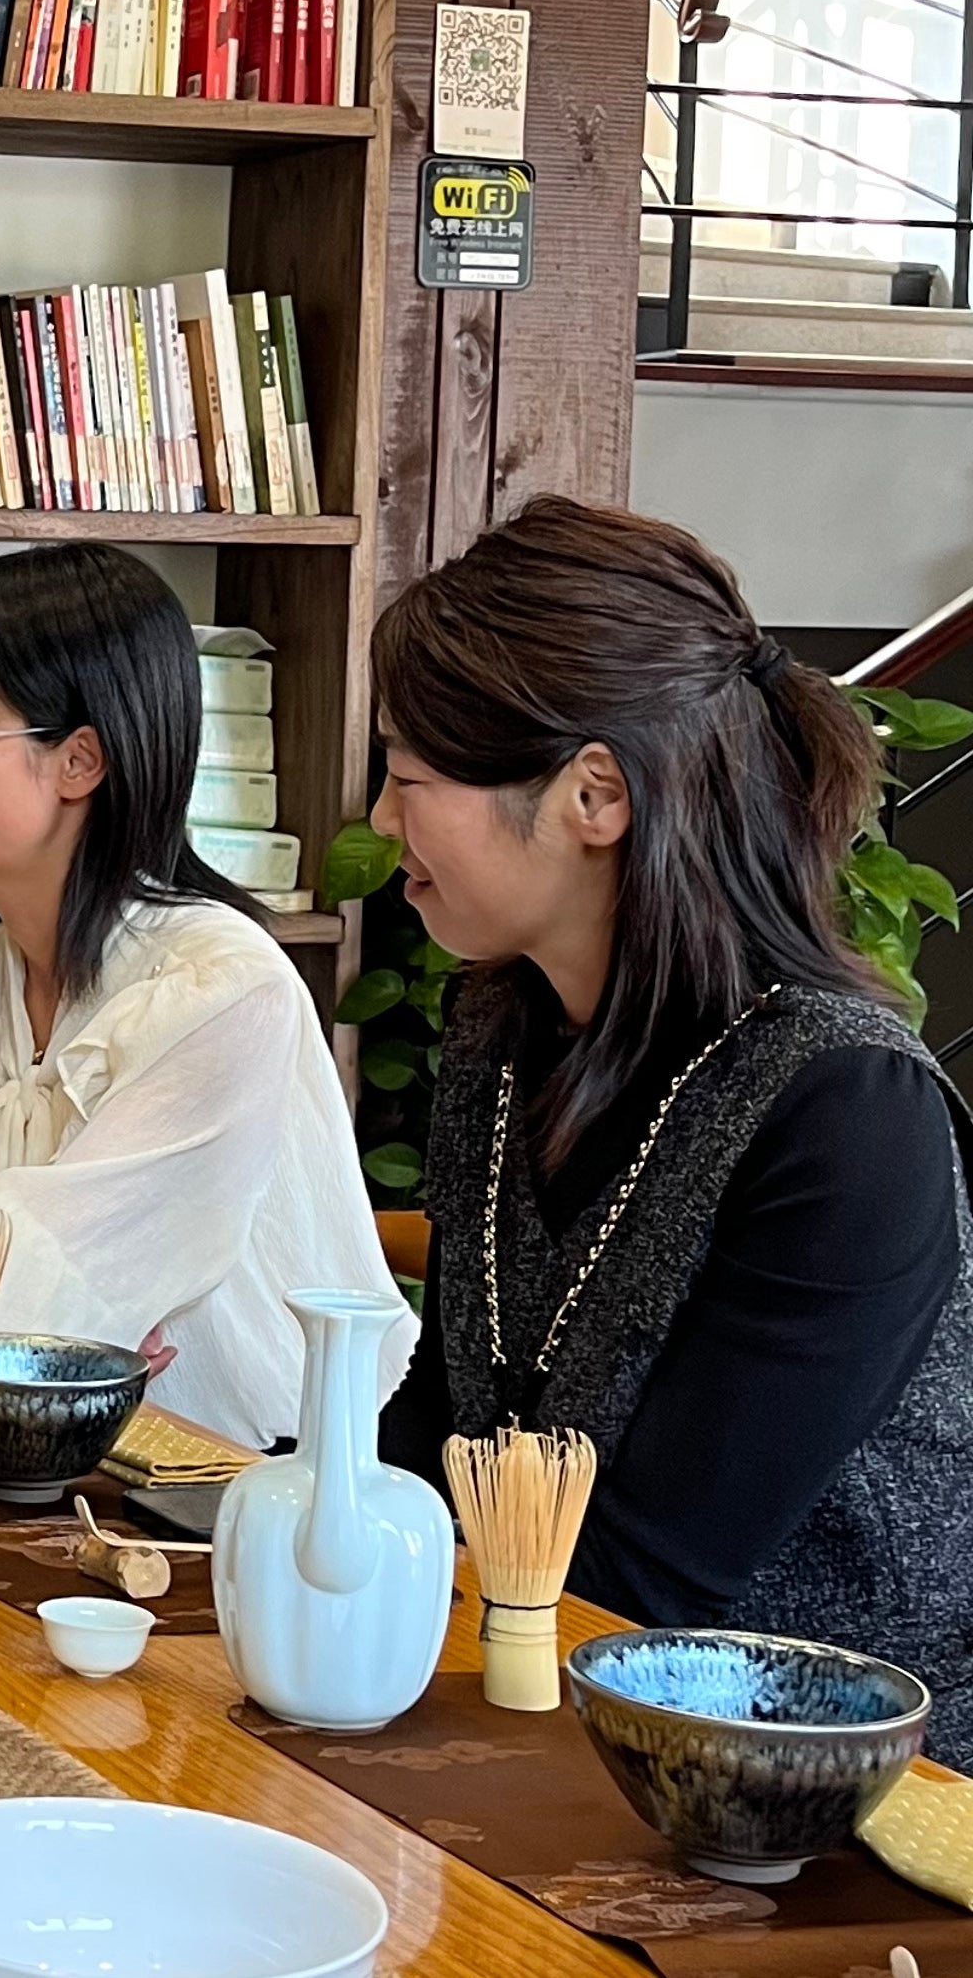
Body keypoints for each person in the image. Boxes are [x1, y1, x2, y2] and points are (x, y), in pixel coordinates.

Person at [368, 497, 973, 1759]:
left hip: (814, 1794)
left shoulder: (846, 1110)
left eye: (411, 778)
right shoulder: (503, 1029)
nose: (381, 823)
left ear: (595, 793)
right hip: (541, 1690)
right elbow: (445, 1420)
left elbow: (660, 1567)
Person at [0, 545, 406, 1448]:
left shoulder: (220, 992)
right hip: (44, 1444)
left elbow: (32, 1298)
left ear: (79, 761)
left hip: (233, 1482)